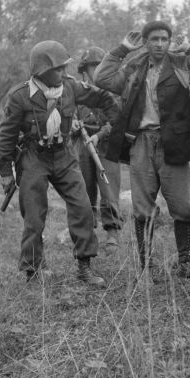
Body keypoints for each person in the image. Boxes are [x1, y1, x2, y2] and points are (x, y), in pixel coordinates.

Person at [94, 20, 190, 280]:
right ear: (146, 41)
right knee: (142, 206)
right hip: (141, 143)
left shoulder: (180, 64)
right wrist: (121, 49)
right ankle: (147, 266)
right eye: (154, 39)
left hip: (175, 142)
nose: (160, 44)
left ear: (170, 41)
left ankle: (184, 263)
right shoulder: (134, 68)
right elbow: (103, 78)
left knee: (182, 204)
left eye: (164, 39)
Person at [0, 40, 119, 286]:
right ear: (41, 71)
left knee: (82, 206)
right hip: (33, 158)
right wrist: (5, 172)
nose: (64, 73)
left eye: (65, 68)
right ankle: (33, 271)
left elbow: (102, 96)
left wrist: (116, 120)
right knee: (34, 215)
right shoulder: (20, 97)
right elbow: (6, 136)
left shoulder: (71, 87)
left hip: (64, 155)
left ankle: (84, 267)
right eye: (58, 69)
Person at [71, 47, 123, 250]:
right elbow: (68, 113)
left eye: (100, 65)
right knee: (84, 189)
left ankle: (112, 232)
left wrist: (99, 135)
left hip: (107, 146)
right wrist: (72, 124)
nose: (96, 70)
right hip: (82, 145)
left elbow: (117, 120)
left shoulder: (113, 91)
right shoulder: (77, 90)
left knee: (109, 189)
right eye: (93, 66)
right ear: (85, 70)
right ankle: (87, 231)